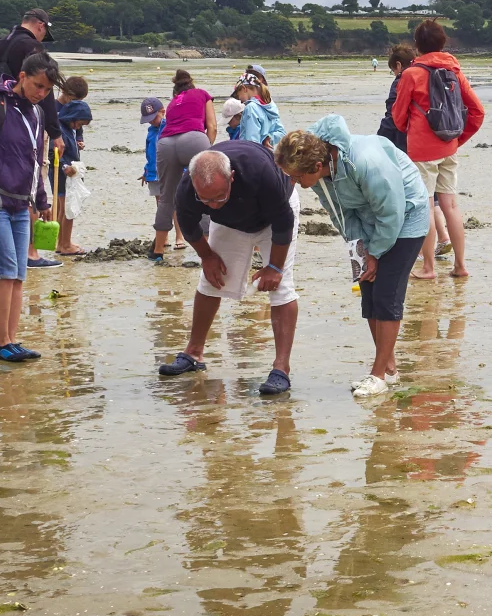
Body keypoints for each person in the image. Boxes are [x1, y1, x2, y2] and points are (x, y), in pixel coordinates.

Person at [275, 114, 430, 398]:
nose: (295, 183)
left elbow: (392, 211)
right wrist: (361, 252)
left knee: (387, 295)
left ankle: (378, 374)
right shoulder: (320, 176)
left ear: (317, 166)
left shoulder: (365, 161)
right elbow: (343, 215)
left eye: (297, 177)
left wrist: (377, 252)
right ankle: (390, 370)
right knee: (369, 290)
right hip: (372, 220)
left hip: (406, 216)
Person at [159, 141, 299, 397]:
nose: (212, 205)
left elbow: (283, 223)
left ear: (232, 177)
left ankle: (281, 369)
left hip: (274, 218)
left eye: (219, 197)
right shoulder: (188, 188)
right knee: (211, 280)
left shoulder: (260, 172)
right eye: (206, 200)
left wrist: (274, 267)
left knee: (281, 287)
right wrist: (207, 256)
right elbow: (189, 226)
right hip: (231, 223)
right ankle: (194, 353)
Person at [0, 52, 66, 362]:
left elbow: (36, 161)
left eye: (46, 89)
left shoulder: (36, 114)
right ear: (21, 76)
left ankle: (12, 340)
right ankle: (1, 343)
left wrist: (42, 199)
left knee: (19, 275)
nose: (41, 93)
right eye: (37, 85)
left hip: (21, 206)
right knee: (5, 272)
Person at [392, 20, 484, 279]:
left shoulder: (411, 74)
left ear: (417, 45)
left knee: (424, 206)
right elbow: (477, 112)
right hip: (449, 148)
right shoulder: (454, 70)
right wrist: (457, 141)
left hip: (421, 151)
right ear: (443, 42)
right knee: (451, 205)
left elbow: (398, 118)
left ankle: (429, 267)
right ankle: (461, 265)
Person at [0, 8, 64, 268]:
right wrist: (55, 132)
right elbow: (45, 91)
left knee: (3, 181)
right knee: (30, 181)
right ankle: (30, 252)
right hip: (24, 119)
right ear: (41, 26)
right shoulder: (31, 47)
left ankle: (13, 248)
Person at [378, 44, 452, 256]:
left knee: (415, 196)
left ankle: (421, 250)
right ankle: (444, 236)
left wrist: (379, 141)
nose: (393, 73)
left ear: (398, 65)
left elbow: (393, 115)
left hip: (408, 143)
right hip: (434, 142)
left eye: (392, 69)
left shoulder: (402, 80)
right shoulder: (429, 75)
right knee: (433, 195)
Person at [152, 70, 217, 258]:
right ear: (192, 84)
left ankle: (157, 251)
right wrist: (207, 147)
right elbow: (212, 126)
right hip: (194, 139)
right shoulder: (203, 94)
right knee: (205, 193)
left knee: (166, 197)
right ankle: (208, 249)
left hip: (166, 144)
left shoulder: (173, 103)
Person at [139, 97, 184, 252]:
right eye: (148, 120)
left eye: (154, 118)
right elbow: (149, 154)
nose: (152, 122)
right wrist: (146, 171)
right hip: (154, 174)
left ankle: (180, 236)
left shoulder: (171, 128)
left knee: (175, 205)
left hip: (171, 172)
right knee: (161, 205)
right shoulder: (150, 133)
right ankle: (163, 236)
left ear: (163, 112)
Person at [53, 99, 93, 255]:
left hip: (68, 170)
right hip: (63, 172)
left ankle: (62, 242)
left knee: (64, 207)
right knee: (69, 208)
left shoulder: (69, 129)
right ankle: (65, 244)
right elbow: (53, 151)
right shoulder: (60, 131)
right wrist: (64, 166)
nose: (78, 127)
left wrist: (78, 142)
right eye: (78, 124)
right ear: (71, 118)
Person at [234, 72, 286, 148]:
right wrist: (268, 138)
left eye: (238, 95)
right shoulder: (270, 105)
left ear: (244, 89)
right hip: (268, 155)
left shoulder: (251, 108)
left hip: (253, 156)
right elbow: (282, 133)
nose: (239, 100)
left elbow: (251, 143)